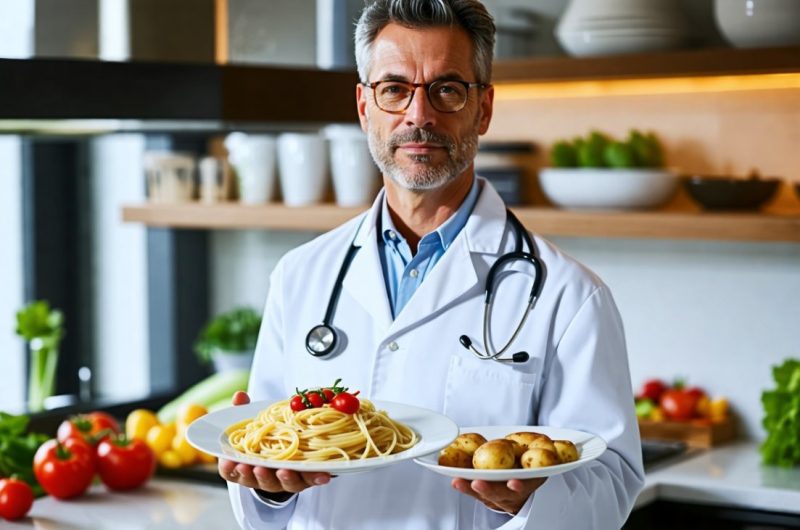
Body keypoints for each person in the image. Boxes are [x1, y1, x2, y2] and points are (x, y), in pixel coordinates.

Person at [220, 0, 645, 528]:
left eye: (446, 89)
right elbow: (265, 451)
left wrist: (532, 503)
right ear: (363, 106)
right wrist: (270, 491)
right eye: (394, 89)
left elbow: (612, 482)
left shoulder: (571, 297)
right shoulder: (300, 276)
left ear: (483, 108)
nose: (418, 117)